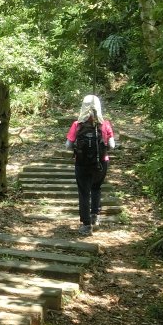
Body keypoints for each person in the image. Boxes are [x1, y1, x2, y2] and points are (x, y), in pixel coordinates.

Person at [64, 94, 115, 235]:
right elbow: (112, 145)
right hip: (101, 163)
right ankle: (95, 217)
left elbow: (68, 146)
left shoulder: (77, 125)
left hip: (81, 164)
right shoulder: (105, 124)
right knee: (96, 188)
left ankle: (86, 225)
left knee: (84, 192)